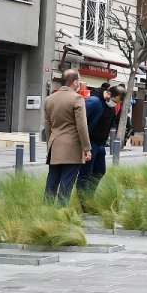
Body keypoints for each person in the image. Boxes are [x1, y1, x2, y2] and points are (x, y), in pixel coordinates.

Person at [42, 70, 92, 203]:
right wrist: (86, 148)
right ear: (74, 82)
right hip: (72, 147)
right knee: (66, 184)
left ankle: (46, 212)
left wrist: (50, 144)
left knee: (52, 181)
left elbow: (48, 127)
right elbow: (82, 126)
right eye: (79, 81)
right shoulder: (77, 98)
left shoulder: (49, 99)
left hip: (54, 145)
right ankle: (61, 213)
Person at [77, 84, 123, 196]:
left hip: (100, 144)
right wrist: (84, 144)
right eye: (114, 100)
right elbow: (80, 121)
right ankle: (82, 201)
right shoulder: (94, 101)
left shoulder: (110, 106)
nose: (115, 104)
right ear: (108, 93)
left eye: (117, 102)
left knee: (100, 171)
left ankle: (89, 195)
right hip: (90, 142)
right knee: (85, 174)